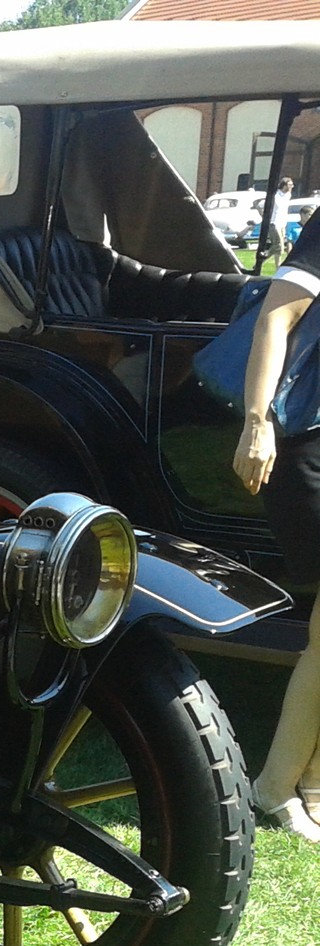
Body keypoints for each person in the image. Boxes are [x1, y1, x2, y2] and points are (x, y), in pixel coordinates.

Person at [232, 215, 320, 840]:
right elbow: (275, 319)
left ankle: (309, 779)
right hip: (308, 438)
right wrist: (257, 422)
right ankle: (275, 786)